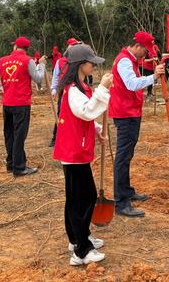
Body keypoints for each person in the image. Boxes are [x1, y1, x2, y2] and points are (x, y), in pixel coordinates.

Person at [52, 44, 112, 266]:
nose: (94, 65)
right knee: (84, 198)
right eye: (91, 62)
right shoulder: (72, 90)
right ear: (81, 64)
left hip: (77, 148)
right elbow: (85, 111)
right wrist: (104, 89)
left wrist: (96, 130)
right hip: (73, 151)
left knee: (76, 198)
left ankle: (77, 237)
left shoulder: (80, 87)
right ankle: (81, 252)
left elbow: (85, 115)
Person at [109, 31, 165, 217]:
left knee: (127, 154)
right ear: (137, 46)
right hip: (125, 113)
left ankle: (127, 191)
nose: (146, 54)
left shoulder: (131, 59)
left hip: (131, 111)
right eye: (145, 51)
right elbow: (131, 84)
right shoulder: (124, 61)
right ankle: (121, 203)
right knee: (123, 157)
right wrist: (153, 77)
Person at [0, 36, 46, 177]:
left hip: (7, 103)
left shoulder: (3, 60)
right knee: (19, 136)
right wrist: (41, 65)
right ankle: (19, 167)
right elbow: (38, 78)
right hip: (21, 104)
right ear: (26, 48)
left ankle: (11, 164)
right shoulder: (27, 60)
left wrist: (0, 87)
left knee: (9, 134)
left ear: (15, 47)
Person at [50, 38, 82, 147]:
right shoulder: (60, 61)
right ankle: (56, 137)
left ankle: (76, 136)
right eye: (72, 46)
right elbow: (55, 77)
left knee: (77, 113)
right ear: (68, 47)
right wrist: (54, 89)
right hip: (63, 92)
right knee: (61, 114)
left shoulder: (80, 61)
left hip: (77, 91)